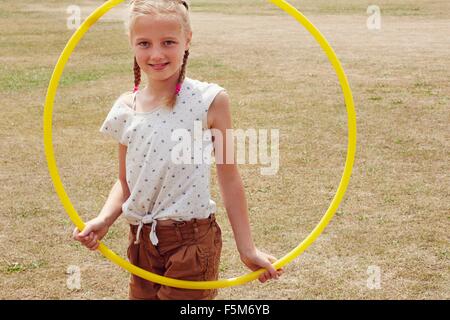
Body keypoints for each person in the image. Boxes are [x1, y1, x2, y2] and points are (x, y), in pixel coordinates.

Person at [73, 0, 283, 300]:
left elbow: (229, 178)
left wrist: (247, 249)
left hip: (192, 244)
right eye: (144, 43)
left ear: (187, 40)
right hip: (141, 243)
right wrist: (104, 219)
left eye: (168, 42)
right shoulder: (125, 109)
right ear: (131, 44)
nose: (156, 54)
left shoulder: (210, 101)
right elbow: (125, 181)